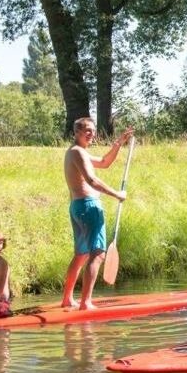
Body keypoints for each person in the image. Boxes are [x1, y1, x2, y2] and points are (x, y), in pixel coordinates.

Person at [61, 117, 134, 310]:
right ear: (76, 132)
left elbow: (104, 162)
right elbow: (92, 180)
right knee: (97, 254)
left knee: (81, 254)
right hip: (88, 207)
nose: (91, 134)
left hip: (78, 207)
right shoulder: (78, 153)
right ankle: (86, 303)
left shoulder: (76, 152)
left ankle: (68, 299)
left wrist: (118, 143)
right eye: (87, 131)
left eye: (93, 131)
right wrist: (116, 194)